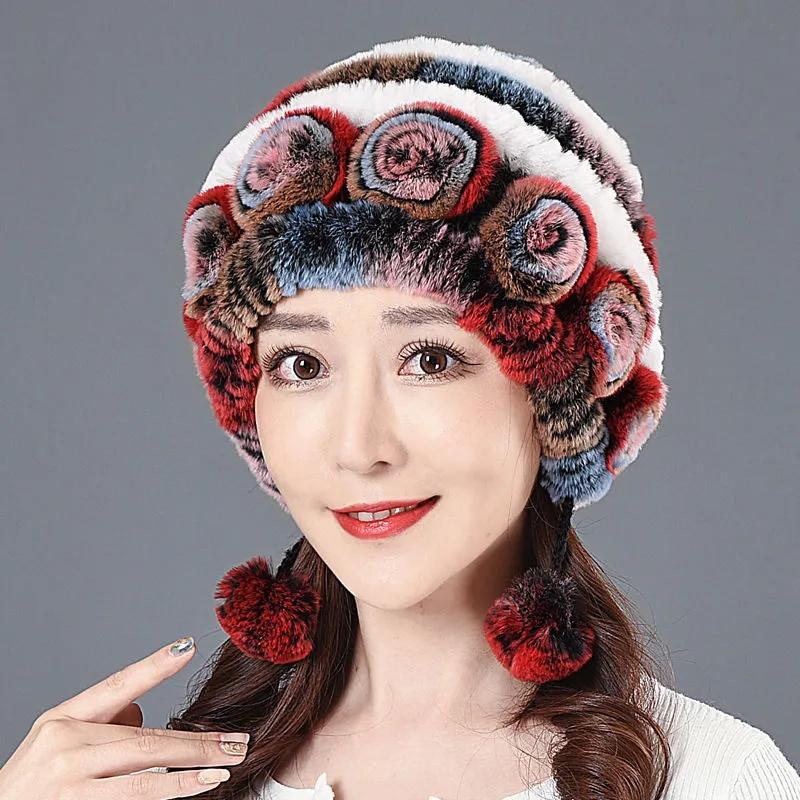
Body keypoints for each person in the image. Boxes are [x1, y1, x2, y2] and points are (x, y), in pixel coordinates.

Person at [1, 35, 797, 800]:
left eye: (430, 359)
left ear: (553, 396)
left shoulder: (711, 780)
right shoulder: (154, 785)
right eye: (302, 365)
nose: (358, 448)